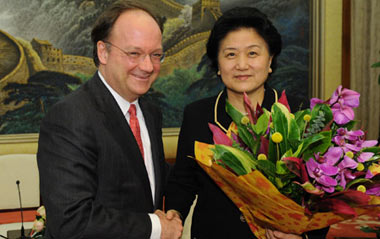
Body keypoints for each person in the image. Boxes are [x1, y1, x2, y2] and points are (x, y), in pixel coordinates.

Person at [165, 7, 329, 239]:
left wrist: (303, 236)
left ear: (270, 59)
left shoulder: (299, 114)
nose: (241, 65)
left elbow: (322, 193)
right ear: (218, 65)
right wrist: (173, 216)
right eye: (230, 55)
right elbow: (183, 182)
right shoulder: (198, 115)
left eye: (253, 53)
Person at [37, 1, 182, 238]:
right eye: (134, 53)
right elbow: (71, 221)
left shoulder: (149, 111)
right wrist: (156, 227)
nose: (147, 66)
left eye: (156, 55)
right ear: (103, 52)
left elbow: (141, 179)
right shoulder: (69, 117)